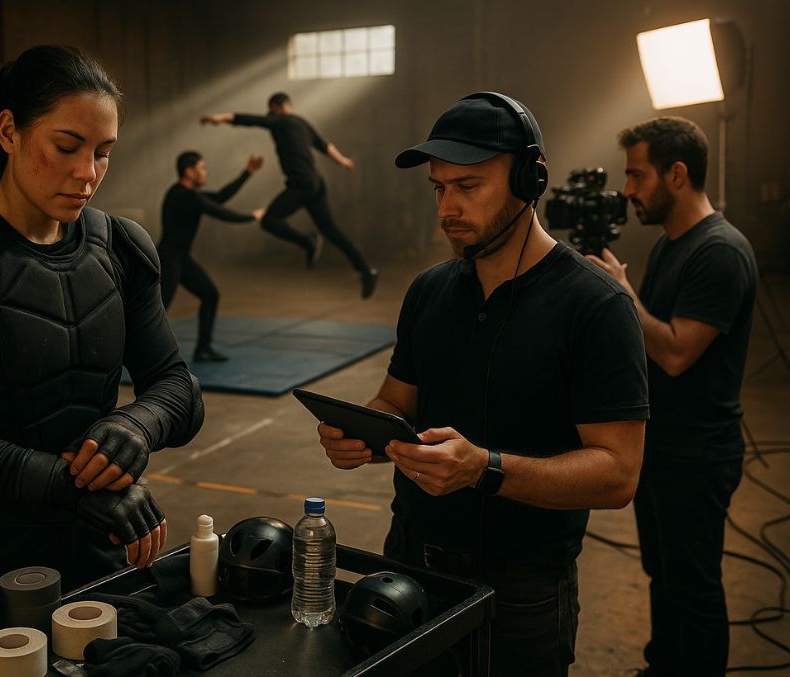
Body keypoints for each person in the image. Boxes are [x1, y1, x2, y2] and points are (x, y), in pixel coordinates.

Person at [315, 92, 649, 677]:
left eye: (467, 187)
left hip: (520, 591)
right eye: (439, 188)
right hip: (410, 565)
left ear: (528, 178)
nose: (447, 207)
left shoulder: (596, 306)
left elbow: (618, 472)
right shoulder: (429, 291)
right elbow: (396, 401)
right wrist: (361, 435)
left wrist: (484, 468)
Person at [0, 45, 204, 616]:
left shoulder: (121, 247)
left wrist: (135, 426)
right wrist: (70, 487)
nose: (87, 174)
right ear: (9, 132)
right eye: (66, 146)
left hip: (97, 553)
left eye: (103, 153)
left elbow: (177, 387)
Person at [588, 117, 757, 677]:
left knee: (695, 587)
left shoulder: (720, 252)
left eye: (637, 175)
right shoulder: (668, 246)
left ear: (676, 174)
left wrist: (622, 294)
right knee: (665, 576)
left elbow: (679, 351)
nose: (628, 189)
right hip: (662, 448)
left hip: (699, 453)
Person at [199, 92, 378, 298]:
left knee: (268, 220)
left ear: (276, 107)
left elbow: (248, 120)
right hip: (316, 184)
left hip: (301, 185)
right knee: (331, 231)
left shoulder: (279, 120)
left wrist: (218, 118)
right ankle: (366, 271)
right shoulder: (302, 122)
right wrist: (343, 161)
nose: (269, 115)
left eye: (270, 110)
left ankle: (307, 242)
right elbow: (325, 146)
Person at [159, 151, 265, 362]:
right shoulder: (183, 196)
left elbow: (219, 197)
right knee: (157, 311)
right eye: (202, 168)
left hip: (181, 259)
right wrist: (252, 216)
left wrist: (248, 172)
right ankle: (129, 355)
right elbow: (220, 212)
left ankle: (203, 349)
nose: (205, 172)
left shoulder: (188, 194)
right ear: (189, 171)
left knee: (210, 295)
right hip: (168, 259)